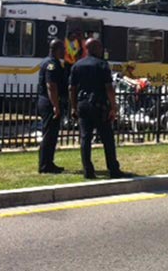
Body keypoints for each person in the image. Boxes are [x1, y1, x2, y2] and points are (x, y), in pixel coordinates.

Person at [69, 38, 129, 179]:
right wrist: (113, 107)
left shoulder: (77, 65)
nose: (102, 50)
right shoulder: (102, 65)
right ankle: (113, 169)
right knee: (107, 138)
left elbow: (72, 88)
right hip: (99, 105)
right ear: (95, 48)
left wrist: (73, 107)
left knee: (85, 138)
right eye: (100, 47)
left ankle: (88, 170)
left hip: (82, 104)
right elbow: (109, 88)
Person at [37, 39, 67, 174]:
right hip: (49, 102)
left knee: (52, 134)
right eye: (63, 49)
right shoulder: (51, 65)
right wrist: (56, 105)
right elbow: (51, 86)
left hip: (48, 101)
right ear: (57, 49)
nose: (65, 51)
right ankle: (44, 165)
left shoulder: (48, 62)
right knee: (49, 134)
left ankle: (49, 162)